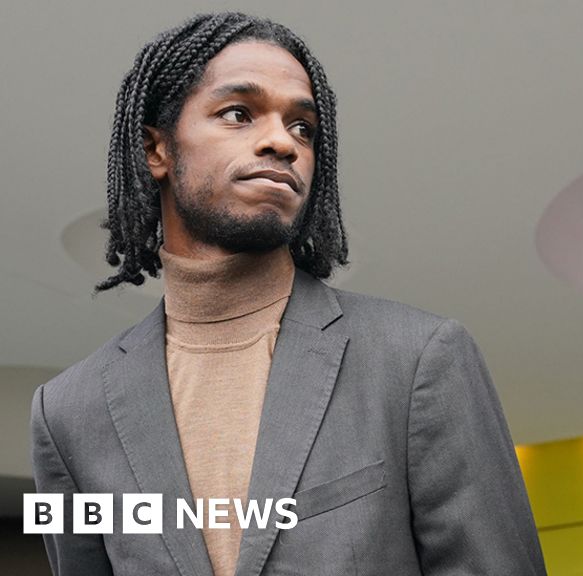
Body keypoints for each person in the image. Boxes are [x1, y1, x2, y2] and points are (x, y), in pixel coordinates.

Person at [30, 13, 545, 576]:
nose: (282, 141)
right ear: (157, 149)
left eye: (303, 127)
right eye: (238, 114)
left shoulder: (420, 359)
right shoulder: (66, 413)